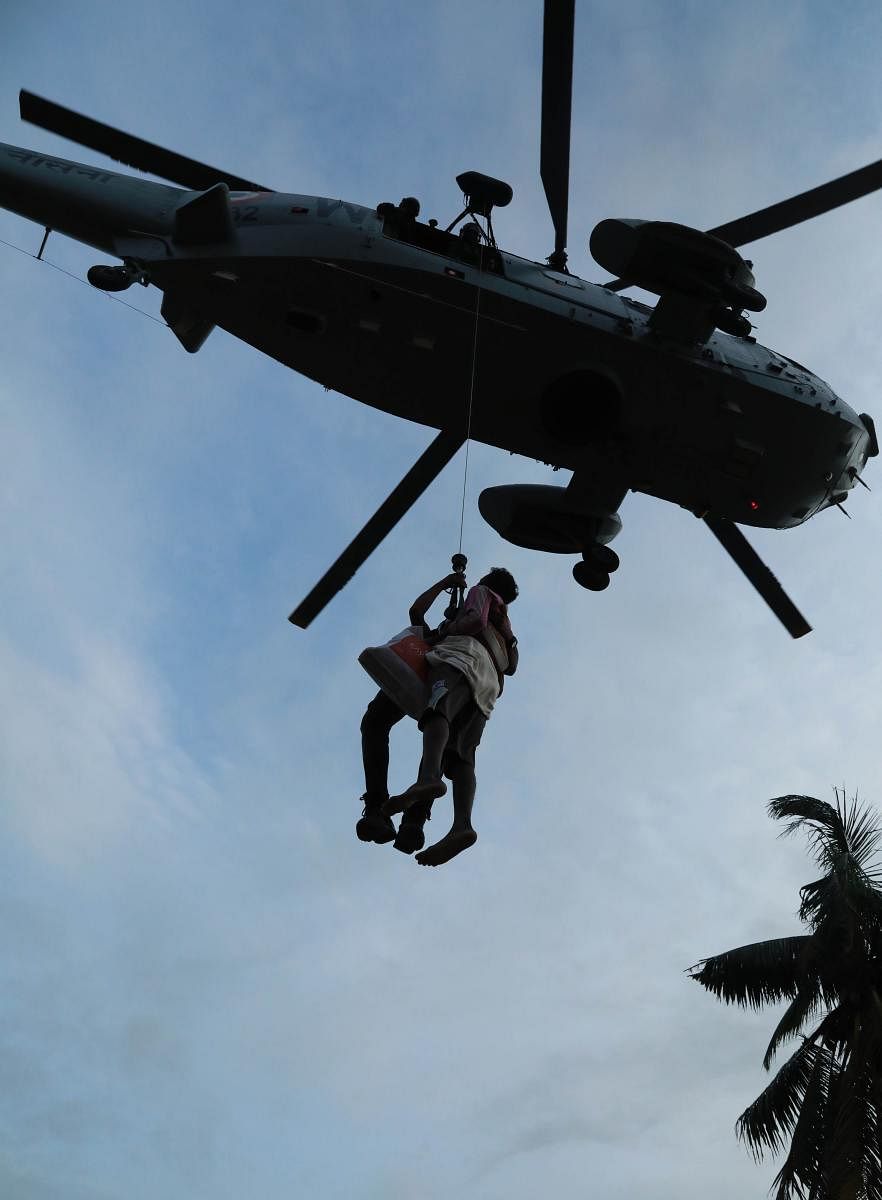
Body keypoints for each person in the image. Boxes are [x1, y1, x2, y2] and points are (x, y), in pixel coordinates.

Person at [383, 568, 519, 867]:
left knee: (436, 713)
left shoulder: (482, 594)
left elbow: (473, 620)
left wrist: (446, 629)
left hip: (461, 660)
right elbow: (512, 666)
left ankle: (429, 777)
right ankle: (462, 825)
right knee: (462, 758)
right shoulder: (505, 624)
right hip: (488, 687)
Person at [356, 570, 467, 854]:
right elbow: (416, 610)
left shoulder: (465, 642)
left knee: (438, 738)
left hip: (445, 676)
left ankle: (412, 820)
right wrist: (445, 583)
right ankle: (380, 809)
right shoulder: (433, 637)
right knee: (375, 722)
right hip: (419, 673)